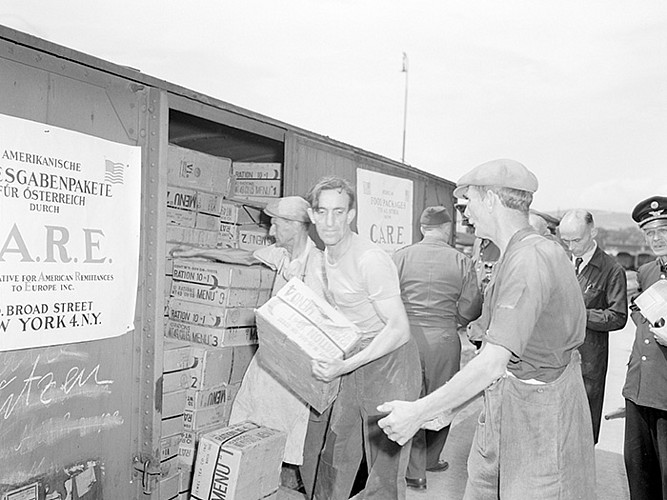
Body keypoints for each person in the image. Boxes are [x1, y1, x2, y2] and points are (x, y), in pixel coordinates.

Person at [377, 159, 596, 499]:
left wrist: (419, 411)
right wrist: (446, 407)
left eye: (468, 203)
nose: (465, 215)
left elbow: (494, 360)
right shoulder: (517, 252)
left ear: (491, 199)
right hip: (509, 400)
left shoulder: (530, 259)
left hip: (538, 413)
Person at [172, 196, 328, 498]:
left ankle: (282, 486)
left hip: (295, 360)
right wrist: (196, 250)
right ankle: (249, 482)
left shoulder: (318, 264)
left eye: (276, 223)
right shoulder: (283, 255)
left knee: (285, 427)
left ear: (295, 226)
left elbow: (322, 319)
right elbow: (244, 256)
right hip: (271, 351)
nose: (271, 231)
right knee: (249, 411)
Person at [306, 176, 421, 500]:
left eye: (338, 212)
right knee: (336, 453)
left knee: (384, 468)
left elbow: (399, 329)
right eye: (323, 211)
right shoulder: (322, 259)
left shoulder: (369, 259)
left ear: (351, 214)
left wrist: (344, 366)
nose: (330, 221)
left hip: (391, 362)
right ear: (313, 214)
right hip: (357, 358)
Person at [392, 206, 482, 489]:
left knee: (411, 399)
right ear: (445, 229)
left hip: (406, 338)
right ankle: (432, 458)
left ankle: (415, 470)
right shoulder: (461, 261)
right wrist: (451, 320)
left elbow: (387, 297)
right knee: (443, 398)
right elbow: (471, 306)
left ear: (422, 228)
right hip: (444, 339)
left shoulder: (401, 256)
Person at [559, 209, 628, 445]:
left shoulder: (612, 269)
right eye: (565, 240)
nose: (571, 247)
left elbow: (618, 316)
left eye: (576, 240)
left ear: (593, 232)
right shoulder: (559, 261)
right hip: (554, 357)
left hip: (588, 361)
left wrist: (580, 314)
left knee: (582, 430)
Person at [622, 195, 667, 500]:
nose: (656, 238)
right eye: (649, 233)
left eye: (663, 230)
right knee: (639, 472)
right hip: (640, 388)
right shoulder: (647, 271)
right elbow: (639, 309)